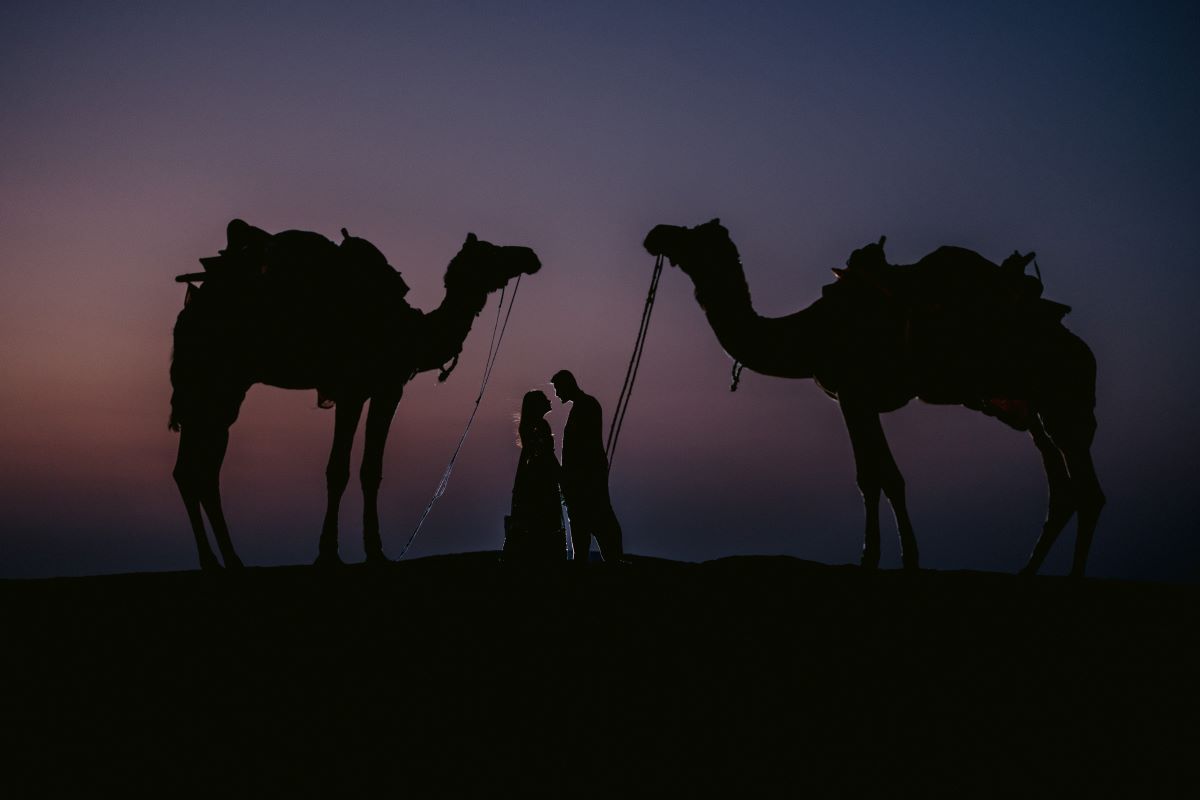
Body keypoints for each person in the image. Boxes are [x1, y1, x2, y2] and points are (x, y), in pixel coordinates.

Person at [549, 370, 624, 562]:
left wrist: (574, 479)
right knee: (590, 531)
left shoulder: (587, 406)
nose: (556, 394)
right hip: (582, 483)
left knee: (600, 528)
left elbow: (586, 448)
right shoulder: (585, 406)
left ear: (567, 385)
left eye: (558, 389)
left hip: (586, 484)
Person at [503, 390, 566, 562]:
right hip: (541, 481)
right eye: (545, 399)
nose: (549, 400)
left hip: (528, 480)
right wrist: (561, 477)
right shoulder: (541, 426)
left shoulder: (528, 427)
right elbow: (547, 455)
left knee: (531, 521)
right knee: (545, 520)